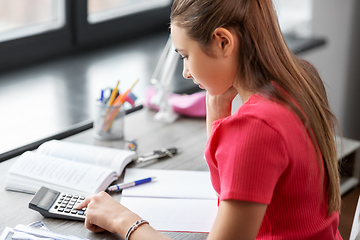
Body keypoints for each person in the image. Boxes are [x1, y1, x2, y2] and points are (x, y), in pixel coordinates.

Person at [76, 0, 343, 239]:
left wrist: (124, 220)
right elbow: (231, 191)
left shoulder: (256, 127)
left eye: (186, 56)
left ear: (223, 42)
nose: (186, 72)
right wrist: (217, 105)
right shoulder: (300, 81)